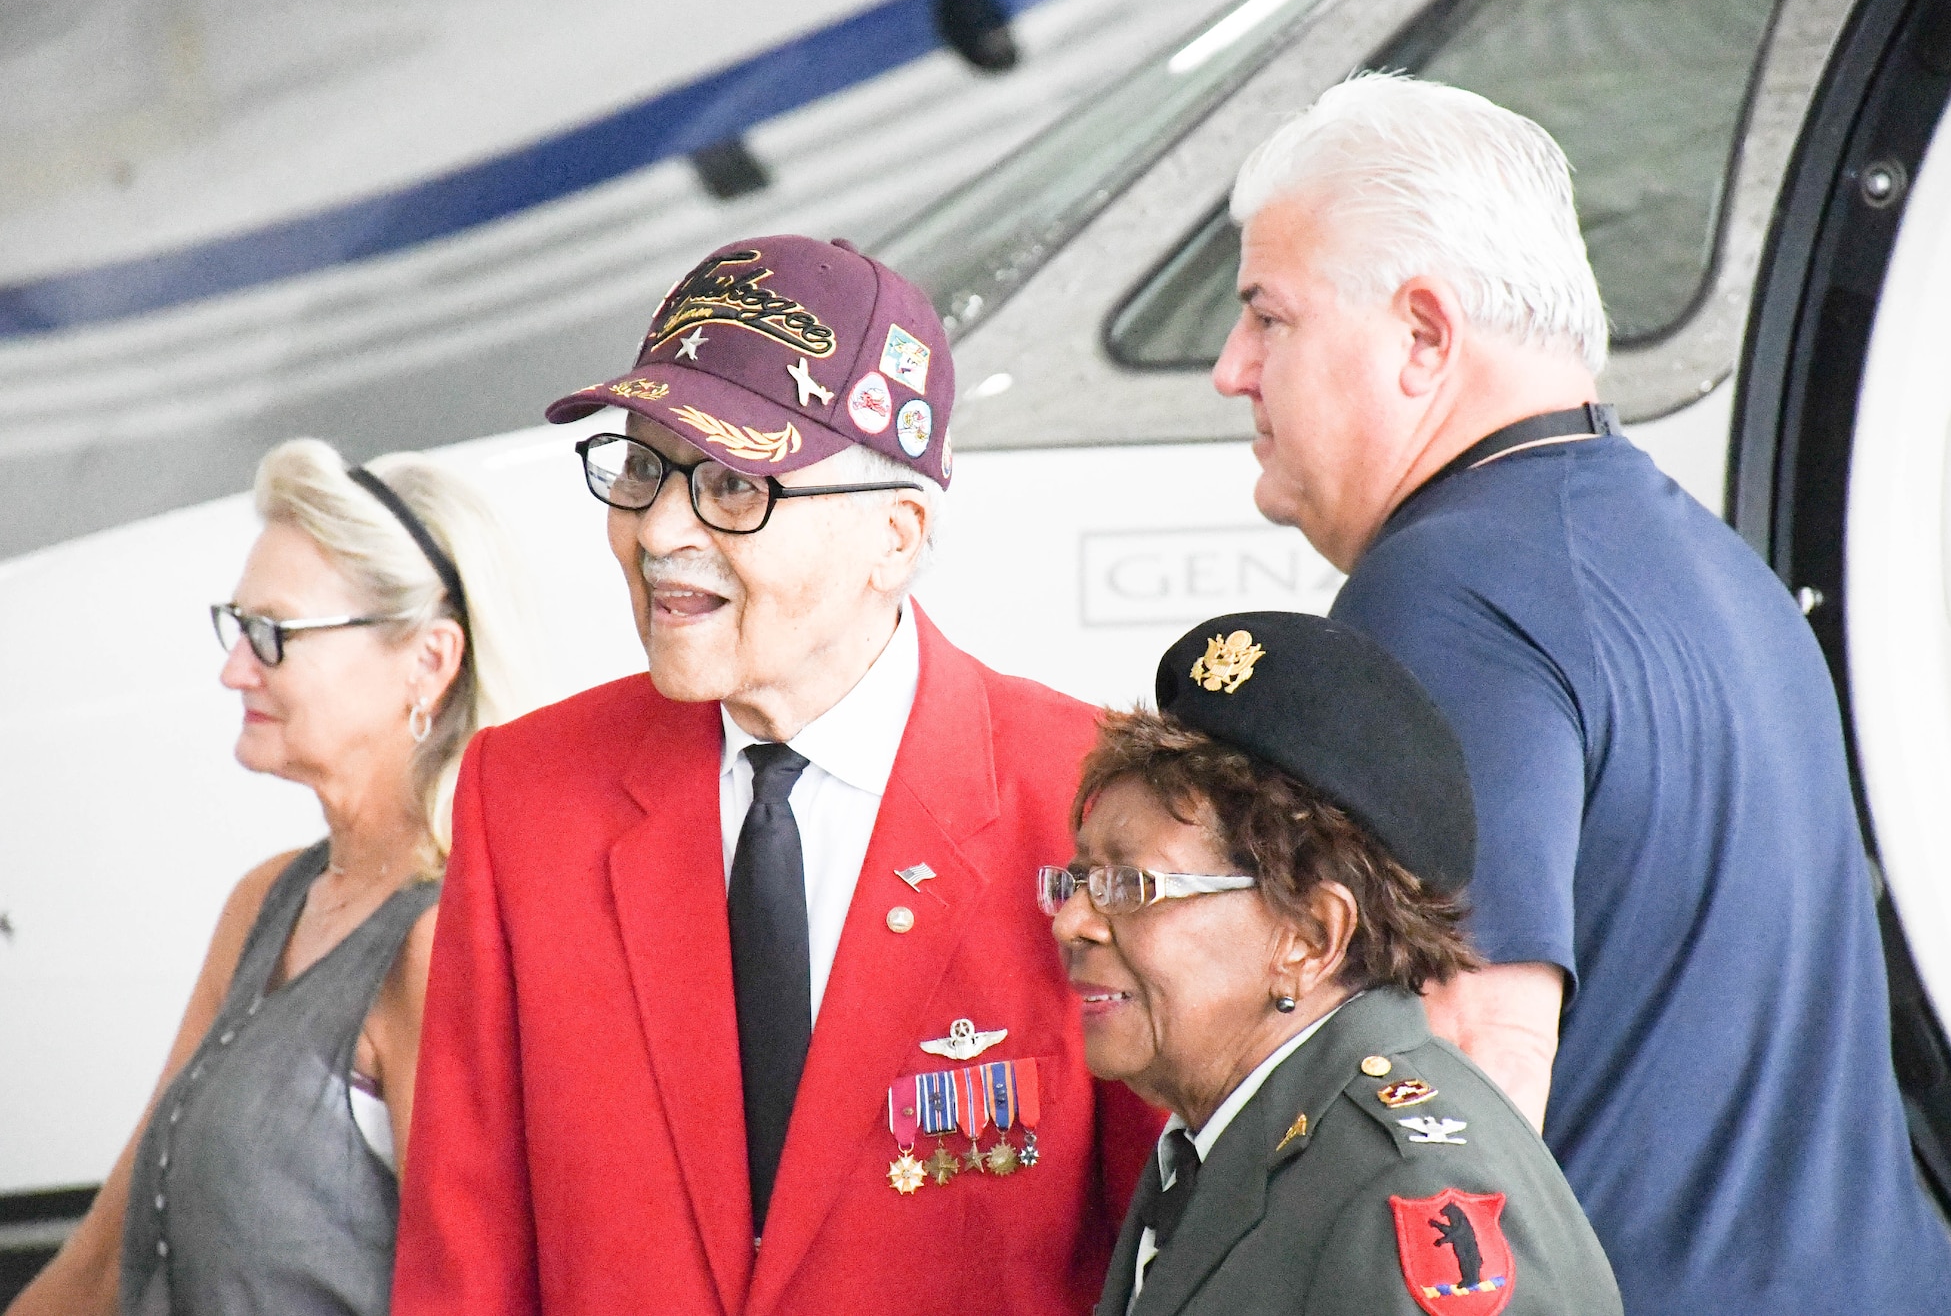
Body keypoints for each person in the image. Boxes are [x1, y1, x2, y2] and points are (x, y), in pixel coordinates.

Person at [1210, 71, 1951, 1315]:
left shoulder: (1442, 595)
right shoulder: (1700, 558)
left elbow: (1462, 1075)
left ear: (1421, 333)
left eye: (1268, 315)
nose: (1230, 368)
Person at [392, 235, 1163, 1316]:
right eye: (643, 466)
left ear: (893, 536)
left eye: (731, 484)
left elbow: (1169, 1244)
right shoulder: (524, 795)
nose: (658, 530)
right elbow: (462, 1254)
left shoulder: (1089, 797)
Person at [7, 441, 538, 1316]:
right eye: (237, 624)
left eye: (273, 634)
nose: (233, 667)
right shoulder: (267, 901)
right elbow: (102, 1260)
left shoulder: (439, 939)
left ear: (430, 661)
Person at [1052, 611, 1621, 1316]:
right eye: (1076, 879)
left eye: (1132, 886)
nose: (1073, 919)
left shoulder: (1407, 1187)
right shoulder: (1230, 1141)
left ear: (1311, 937)